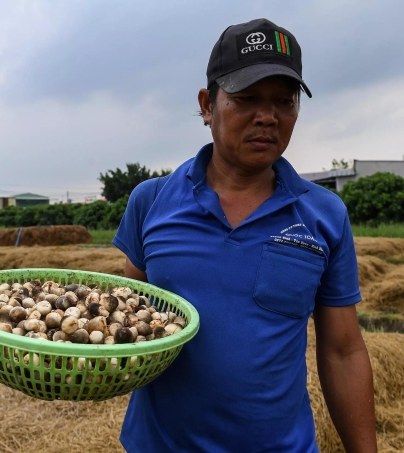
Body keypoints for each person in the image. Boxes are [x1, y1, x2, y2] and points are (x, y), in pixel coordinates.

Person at [112, 18, 377, 452]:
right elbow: (126, 317)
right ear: (206, 105)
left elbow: (343, 351)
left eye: (284, 101)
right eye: (246, 98)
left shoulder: (324, 214)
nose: (268, 117)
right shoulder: (151, 201)